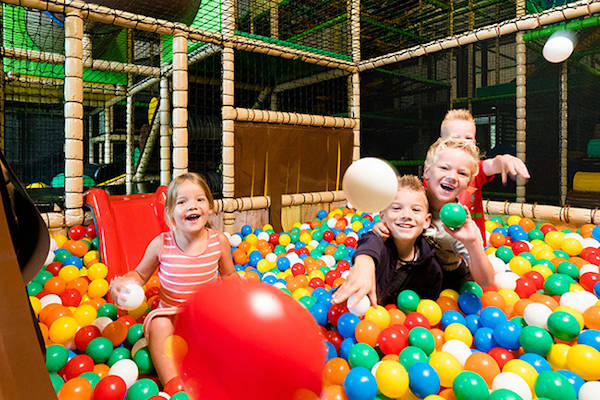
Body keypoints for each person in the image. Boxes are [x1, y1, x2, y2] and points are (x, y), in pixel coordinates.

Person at [333, 137, 495, 307]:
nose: (452, 176)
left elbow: (486, 281)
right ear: (427, 172)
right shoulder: (411, 198)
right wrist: (379, 232)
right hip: (412, 271)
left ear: (468, 184)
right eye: (444, 168)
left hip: (448, 282)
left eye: (462, 173)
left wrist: (472, 243)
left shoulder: (463, 225)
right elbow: (383, 225)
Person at [110, 172, 237, 385]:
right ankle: (173, 384)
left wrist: (241, 298)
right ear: (170, 213)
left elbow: (229, 274)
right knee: (158, 325)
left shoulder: (219, 241)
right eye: (182, 202)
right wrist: (123, 283)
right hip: (171, 315)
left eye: (200, 199)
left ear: (210, 206)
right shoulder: (161, 244)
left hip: (205, 314)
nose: (192, 206)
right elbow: (140, 274)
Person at [331, 175, 442, 307]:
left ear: (426, 221)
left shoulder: (431, 268)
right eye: (396, 208)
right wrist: (365, 262)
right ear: (382, 216)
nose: (406, 215)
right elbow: (369, 242)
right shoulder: (378, 242)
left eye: (416, 210)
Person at [440, 109, 530, 244]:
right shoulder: (435, 174)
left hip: (474, 248)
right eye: (455, 138)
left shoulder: (475, 170)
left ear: (474, 143)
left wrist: (504, 160)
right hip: (444, 245)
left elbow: (492, 164)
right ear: (441, 143)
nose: (463, 143)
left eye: (468, 138)